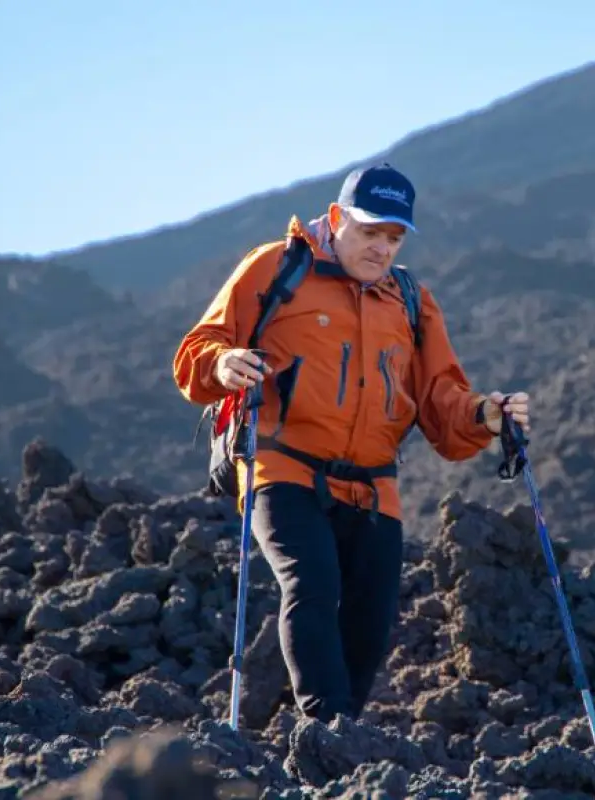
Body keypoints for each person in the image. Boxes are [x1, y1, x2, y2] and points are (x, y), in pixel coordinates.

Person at [172, 162, 530, 723]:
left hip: (372, 484)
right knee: (311, 583)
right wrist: (223, 361)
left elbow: (441, 399)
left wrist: (486, 414)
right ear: (337, 219)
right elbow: (199, 349)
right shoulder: (275, 267)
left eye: (394, 237)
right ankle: (325, 732)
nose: (382, 248)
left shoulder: (410, 300)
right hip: (280, 465)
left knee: (369, 619)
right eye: (370, 232)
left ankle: (340, 739)